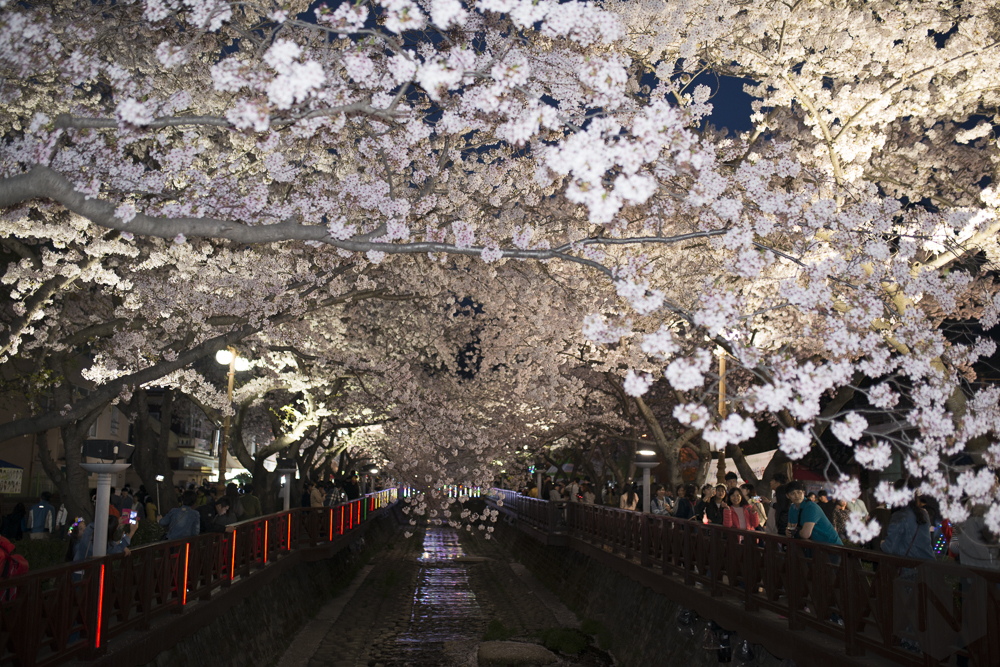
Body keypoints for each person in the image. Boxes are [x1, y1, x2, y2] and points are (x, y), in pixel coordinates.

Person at [785, 481, 842, 546]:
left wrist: (795, 532)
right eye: (792, 493)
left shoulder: (811, 507)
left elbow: (805, 534)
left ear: (803, 493)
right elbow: (790, 528)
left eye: (799, 492)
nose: (797, 496)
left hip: (832, 546)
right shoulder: (793, 508)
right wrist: (788, 532)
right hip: (817, 546)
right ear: (787, 496)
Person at [881, 496, 934, 561]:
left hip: (911, 563)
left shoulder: (899, 516)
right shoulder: (924, 513)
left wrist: (882, 543)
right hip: (928, 561)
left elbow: (889, 548)